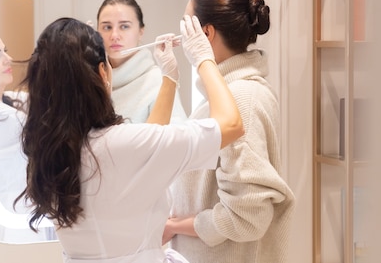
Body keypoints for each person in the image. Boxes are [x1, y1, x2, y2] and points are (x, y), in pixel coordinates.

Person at [16, 16, 244, 263]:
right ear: (103, 72)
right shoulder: (119, 144)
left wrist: (169, 78)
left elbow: (144, 152)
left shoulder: (48, 152)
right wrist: (203, 60)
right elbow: (231, 124)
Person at [164, 0, 295, 263]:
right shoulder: (229, 92)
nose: (181, 36)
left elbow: (247, 216)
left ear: (206, 33)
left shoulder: (242, 98)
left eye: (186, 26)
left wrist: (175, 226)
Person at [0, 23, 55, 243]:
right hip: (15, 224)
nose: (8, 58)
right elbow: (50, 119)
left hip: (10, 220)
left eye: (4, 50)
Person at [96, 0, 187, 123]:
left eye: (124, 26)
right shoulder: (91, 80)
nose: (114, 35)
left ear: (141, 31)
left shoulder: (158, 82)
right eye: (107, 27)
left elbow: (174, 139)